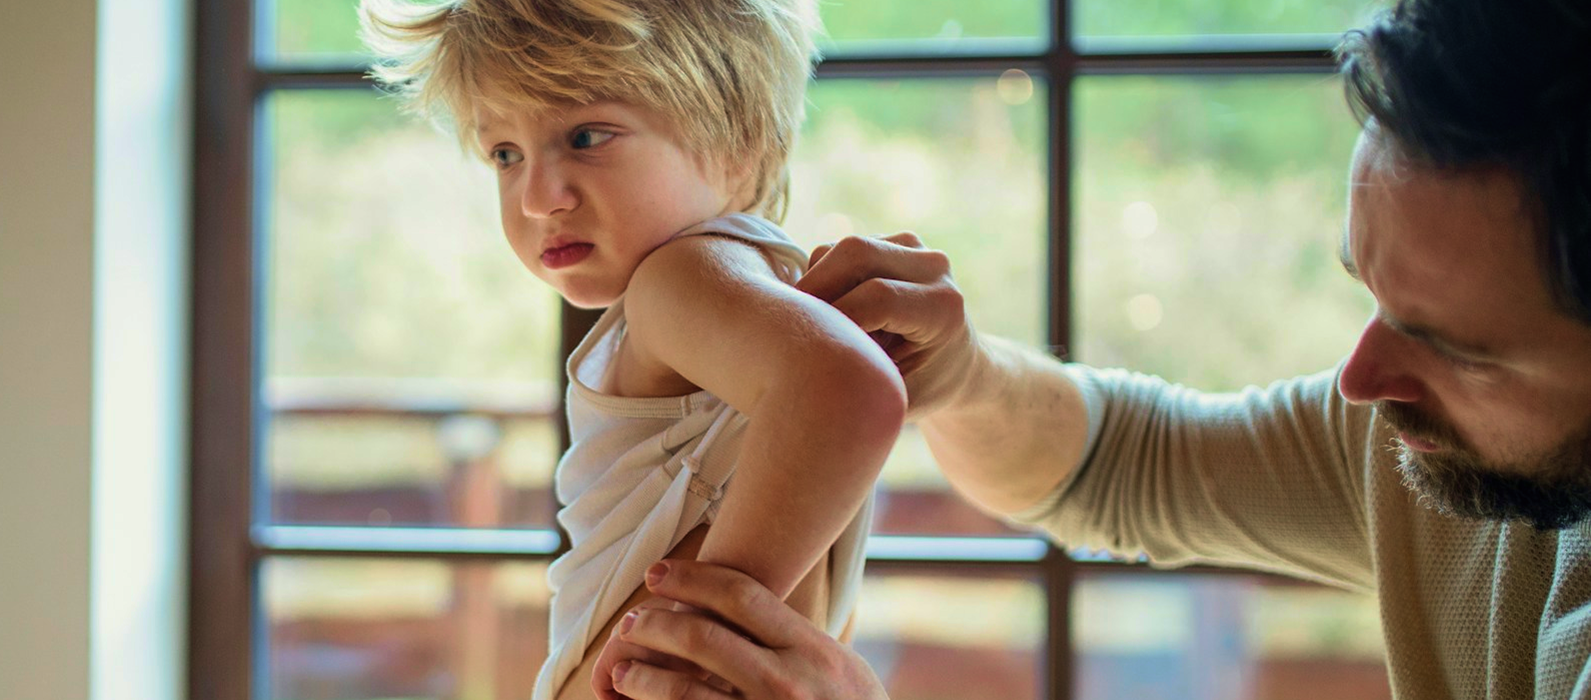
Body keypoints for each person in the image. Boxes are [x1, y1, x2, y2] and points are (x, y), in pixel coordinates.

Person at [601, 0, 1591, 698]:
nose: (1361, 378)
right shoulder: (1429, 442)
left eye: (1452, 346)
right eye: (1364, 292)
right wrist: (965, 378)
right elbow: (1127, 461)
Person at [358, 1, 906, 699]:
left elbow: (846, 388)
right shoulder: (742, 296)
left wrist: (699, 639)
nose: (537, 197)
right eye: (505, 154)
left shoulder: (677, 281)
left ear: (736, 142)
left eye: (586, 136)